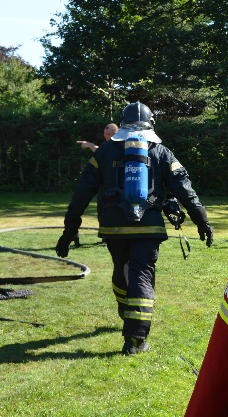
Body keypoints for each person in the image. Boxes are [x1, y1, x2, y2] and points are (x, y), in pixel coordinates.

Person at [55, 101, 214, 355]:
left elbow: (81, 193)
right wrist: (202, 221)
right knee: (141, 276)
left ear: (123, 122)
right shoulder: (161, 151)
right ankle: (136, 340)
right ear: (151, 123)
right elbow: (185, 190)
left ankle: (126, 314)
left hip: (113, 227)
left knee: (121, 269)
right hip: (148, 228)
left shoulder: (104, 152)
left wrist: (70, 229)